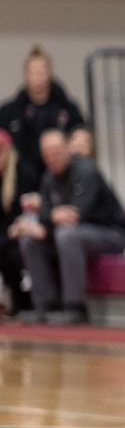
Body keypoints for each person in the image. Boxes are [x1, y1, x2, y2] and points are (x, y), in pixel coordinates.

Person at [13, 129, 125, 324]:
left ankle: (76, 307)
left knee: (67, 234)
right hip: (75, 233)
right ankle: (45, 305)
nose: (52, 158)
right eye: (47, 154)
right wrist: (50, 217)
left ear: (68, 148)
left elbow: (75, 216)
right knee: (29, 240)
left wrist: (49, 216)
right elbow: (46, 216)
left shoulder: (86, 170)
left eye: (56, 152)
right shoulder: (48, 177)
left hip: (113, 234)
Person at [0, 46, 85, 180]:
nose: (38, 77)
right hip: (22, 180)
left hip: (62, 179)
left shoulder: (68, 109)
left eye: (41, 72)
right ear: (26, 75)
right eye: (33, 72)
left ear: (49, 73)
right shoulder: (9, 112)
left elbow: (81, 138)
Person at [0, 129, 38, 317]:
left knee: (11, 251)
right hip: (6, 231)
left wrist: (17, 226)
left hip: (23, 229)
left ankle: (24, 301)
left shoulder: (24, 172)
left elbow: (29, 210)